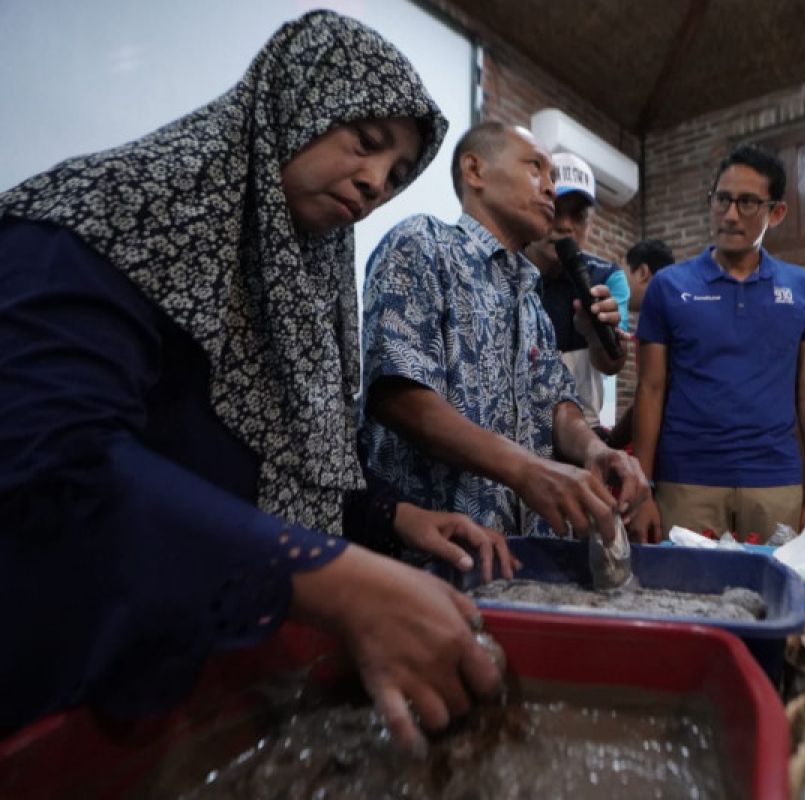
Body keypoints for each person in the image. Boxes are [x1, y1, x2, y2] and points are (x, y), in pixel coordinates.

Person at [0, 12, 506, 751]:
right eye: (364, 143)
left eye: (396, 175)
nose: (373, 182)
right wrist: (334, 580)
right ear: (296, 102)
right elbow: (47, 461)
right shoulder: (106, 216)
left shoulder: (299, 283)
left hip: (202, 683)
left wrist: (391, 517)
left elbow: (283, 454)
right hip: (59, 686)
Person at [358, 122, 649, 544]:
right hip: (425, 554)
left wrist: (595, 451)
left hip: (513, 552)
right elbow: (400, 396)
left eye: (552, 177)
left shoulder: (530, 297)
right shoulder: (422, 244)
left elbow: (556, 405)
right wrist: (525, 468)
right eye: (536, 168)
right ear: (474, 170)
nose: (550, 188)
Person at [629, 145, 805, 543]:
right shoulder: (668, 287)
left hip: (775, 483)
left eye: (747, 203)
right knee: (682, 598)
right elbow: (650, 391)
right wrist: (642, 489)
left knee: (775, 599)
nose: (730, 214)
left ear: (776, 213)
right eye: (722, 199)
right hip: (685, 482)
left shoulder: (802, 288)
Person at [525, 152, 630, 436]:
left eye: (578, 216)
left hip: (581, 435)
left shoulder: (606, 278)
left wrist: (597, 335)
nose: (565, 225)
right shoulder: (505, 270)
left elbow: (612, 363)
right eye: (556, 209)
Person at [607, 238, 676, 451]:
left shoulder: (662, 322)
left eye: (623, 274)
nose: (619, 283)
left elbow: (655, 394)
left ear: (643, 272)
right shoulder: (677, 311)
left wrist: (611, 441)